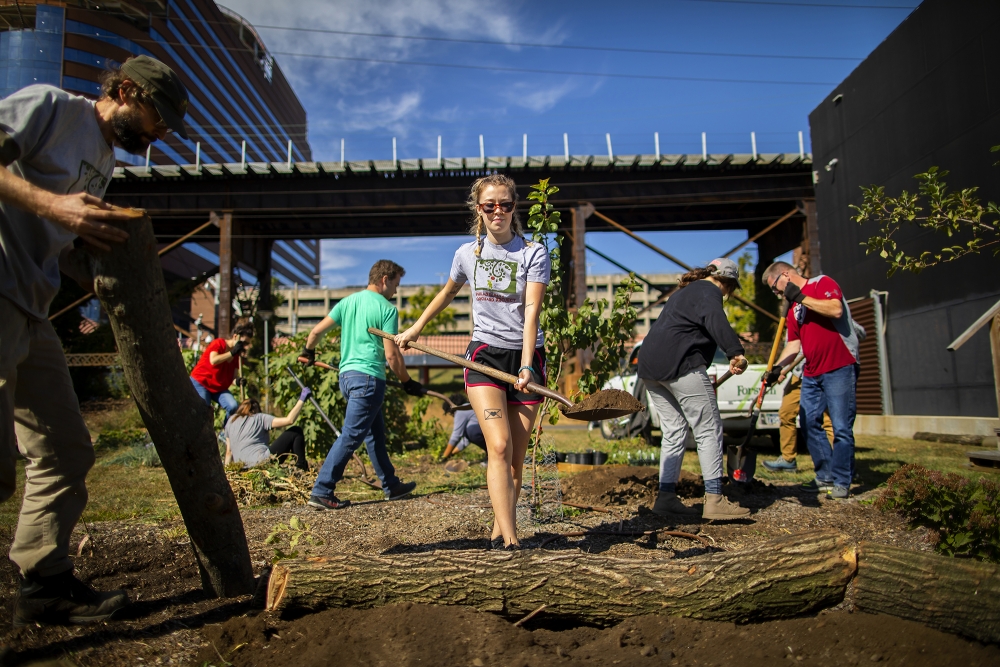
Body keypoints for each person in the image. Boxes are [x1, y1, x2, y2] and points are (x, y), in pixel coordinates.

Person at [0, 55, 189, 626]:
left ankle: (43, 581)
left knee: (65, 450)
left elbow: (67, 239)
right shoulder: (51, 107)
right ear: (127, 90)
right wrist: (52, 202)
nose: (160, 137)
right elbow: (46, 205)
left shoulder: (105, 160)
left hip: (33, 309)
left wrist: (101, 270)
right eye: (160, 120)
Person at [396, 174, 550, 550]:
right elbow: (447, 293)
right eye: (489, 205)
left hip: (526, 357)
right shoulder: (467, 254)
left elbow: (531, 312)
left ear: (515, 208)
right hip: (484, 355)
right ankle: (510, 540)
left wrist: (527, 366)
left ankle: (501, 529)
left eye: (506, 205)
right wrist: (416, 329)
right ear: (478, 210)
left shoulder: (534, 252)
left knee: (515, 456)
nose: (498, 211)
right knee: (497, 445)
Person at [637, 258, 751, 520]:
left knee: (674, 430)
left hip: (651, 366)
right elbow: (715, 319)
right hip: (680, 363)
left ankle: (666, 498)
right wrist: (735, 353)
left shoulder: (687, 292)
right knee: (708, 428)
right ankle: (714, 500)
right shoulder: (709, 291)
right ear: (728, 283)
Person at [304, 260, 421, 509]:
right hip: (368, 379)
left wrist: (309, 353)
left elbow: (315, 333)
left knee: (374, 435)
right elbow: (392, 355)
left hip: (347, 377)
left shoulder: (347, 302)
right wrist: (407, 381)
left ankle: (391, 485)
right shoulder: (386, 309)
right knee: (351, 435)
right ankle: (322, 490)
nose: (396, 292)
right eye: (396, 285)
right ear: (385, 279)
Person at [763, 262, 861, 499]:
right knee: (807, 423)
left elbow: (835, 310)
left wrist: (801, 297)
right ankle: (825, 476)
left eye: (775, 287)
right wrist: (778, 367)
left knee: (840, 427)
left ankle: (842, 480)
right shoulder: (794, 308)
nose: (776, 293)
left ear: (786, 275)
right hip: (812, 371)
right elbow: (794, 345)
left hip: (839, 365)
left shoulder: (822, 283)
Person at [761, 354, 834, 472]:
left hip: (819, 371)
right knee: (786, 413)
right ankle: (788, 459)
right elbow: (793, 345)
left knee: (826, 419)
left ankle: (842, 463)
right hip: (798, 373)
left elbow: (797, 346)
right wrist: (779, 368)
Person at [224, 389, 312, 471]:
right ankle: (301, 467)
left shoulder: (230, 421)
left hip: (241, 468)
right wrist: (302, 399)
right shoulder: (259, 418)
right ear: (256, 410)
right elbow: (289, 420)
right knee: (295, 431)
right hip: (262, 463)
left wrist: (226, 473)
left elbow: (229, 452)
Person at [189, 320, 254, 424]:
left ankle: (226, 431)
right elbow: (213, 360)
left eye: (247, 344)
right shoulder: (219, 343)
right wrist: (232, 353)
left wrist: (237, 381)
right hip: (202, 383)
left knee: (233, 406)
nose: (245, 346)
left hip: (218, 388)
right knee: (204, 412)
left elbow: (233, 377)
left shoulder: (237, 356)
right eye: (244, 342)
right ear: (235, 336)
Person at [441, 393, 487, 461]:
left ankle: (491, 455)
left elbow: (456, 436)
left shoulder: (460, 410)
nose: (452, 415)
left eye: (450, 413)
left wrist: (444, 456)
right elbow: (466, 439)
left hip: (486, 431)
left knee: (471, 430)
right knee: (469, 430)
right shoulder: (467, 407)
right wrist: (452, 453)